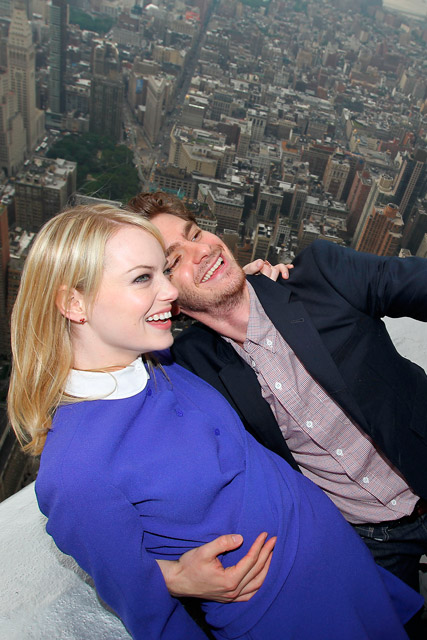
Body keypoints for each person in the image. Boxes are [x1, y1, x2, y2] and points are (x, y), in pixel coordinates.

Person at [7, 204, 422, 640]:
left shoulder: (165, 368)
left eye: (164, 273)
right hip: (293, 618)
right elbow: (149, 613)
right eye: (147, 275)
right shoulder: (76, 470)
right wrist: (164, 577)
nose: (168, 290)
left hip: (352, 575)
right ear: (73, 302)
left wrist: (253, 284)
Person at [127, 191, 427, 597]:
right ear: (166, 296)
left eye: (196, 233)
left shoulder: (321, 275)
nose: (202, 251)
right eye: (174, 261)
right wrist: (171, 577)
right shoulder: (188, 367)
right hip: (367, 541)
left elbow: (413, 283)